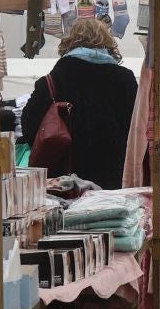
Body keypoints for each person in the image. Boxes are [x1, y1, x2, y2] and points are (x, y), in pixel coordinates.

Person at [21, 18, 138, 189]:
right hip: (114, 179)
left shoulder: (52, 81)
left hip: (66, 182)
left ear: (70, 42)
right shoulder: (126, 79)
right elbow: (137, 128)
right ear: (108, 43)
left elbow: (30, 128)